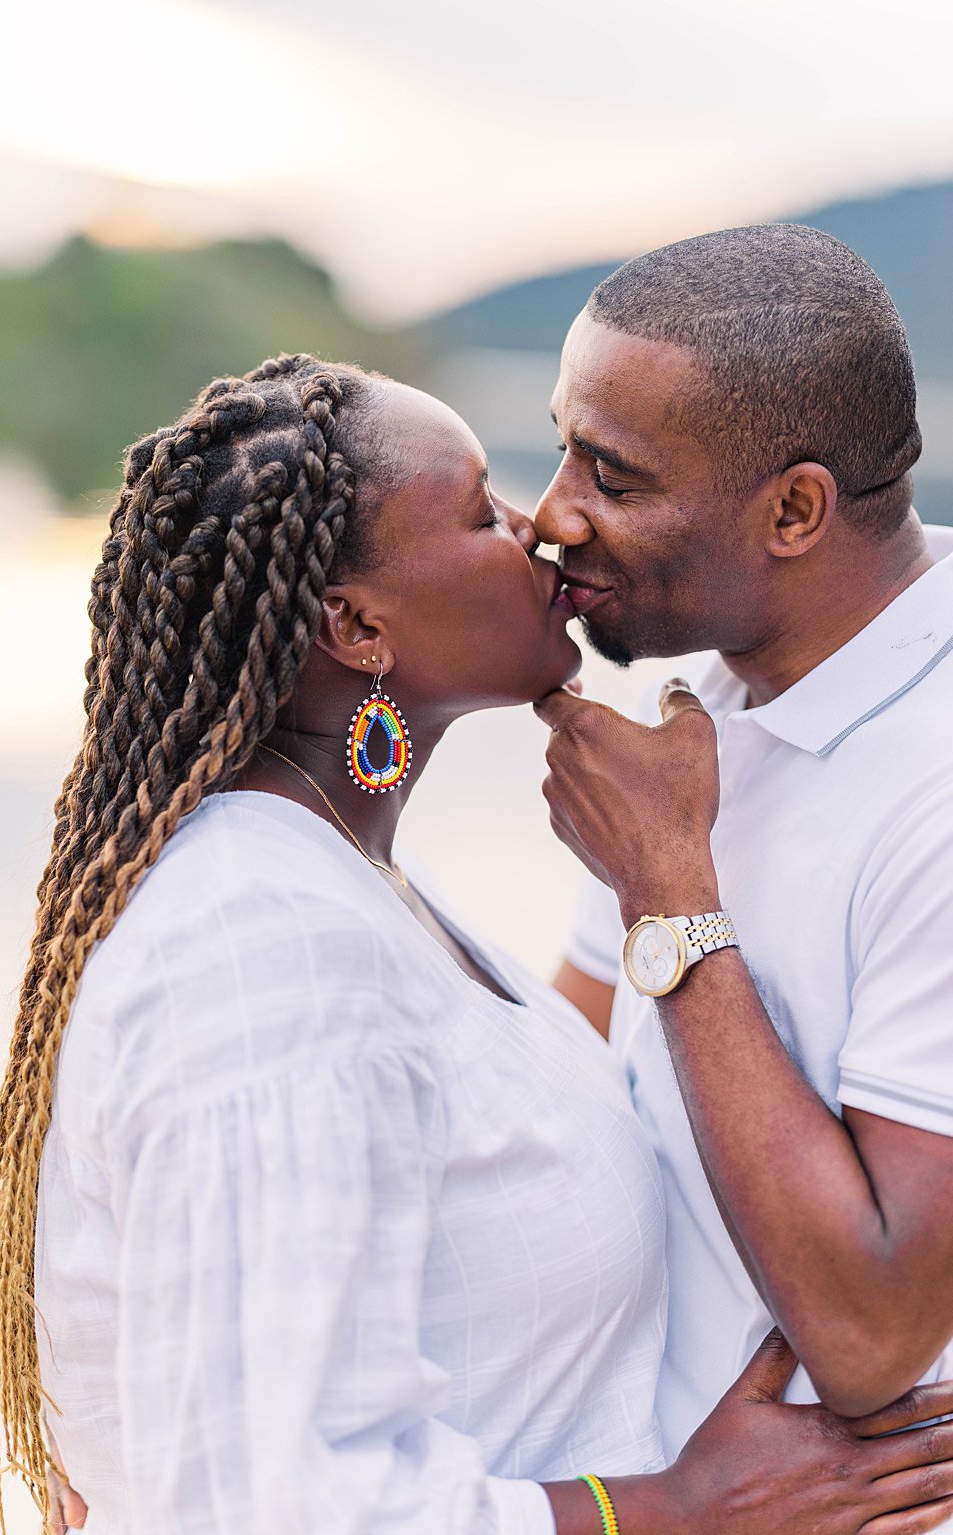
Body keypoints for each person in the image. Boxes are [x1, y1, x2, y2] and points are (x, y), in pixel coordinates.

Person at [0, 354, 953, 1534]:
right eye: (481, 509)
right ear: (353, 620)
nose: (539, 526)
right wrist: (676, 1507)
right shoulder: (257, 936)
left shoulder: (359, 884)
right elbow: (263, 1506)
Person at [536, 226, 953, 1461]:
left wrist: (666, 888)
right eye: (560, 444)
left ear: (792, 508)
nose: (552, 513)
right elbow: (554, 1080)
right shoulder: (710, 696)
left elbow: (873, 1329)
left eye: (609, 476)